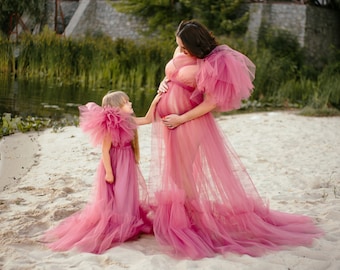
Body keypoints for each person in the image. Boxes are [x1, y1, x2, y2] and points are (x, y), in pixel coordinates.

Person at [148, 20, 323, 259]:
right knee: (173, 172)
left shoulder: (211, 64)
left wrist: (181, 118)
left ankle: (193, 220)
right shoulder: (180, 49)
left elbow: (210, 103)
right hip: (171, 122)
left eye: (185, 47)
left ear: (196, 46)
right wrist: (164, 82)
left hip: (190, 122)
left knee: (183, 172)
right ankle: (184, 216)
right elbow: (173, 74)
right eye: (179, 45)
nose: (181, 50)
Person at [42, 91, 161, 254]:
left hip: (127, 163)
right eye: (126, 102)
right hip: (114, 164)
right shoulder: (111, 127)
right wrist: (109, 172)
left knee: (126, 192)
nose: (130, 103)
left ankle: (127, 221)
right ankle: (118, 223)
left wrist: (155, 101)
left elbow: (148, 119)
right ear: (116, 108)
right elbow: (105, 151)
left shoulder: (130, 121)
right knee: (116, 193)